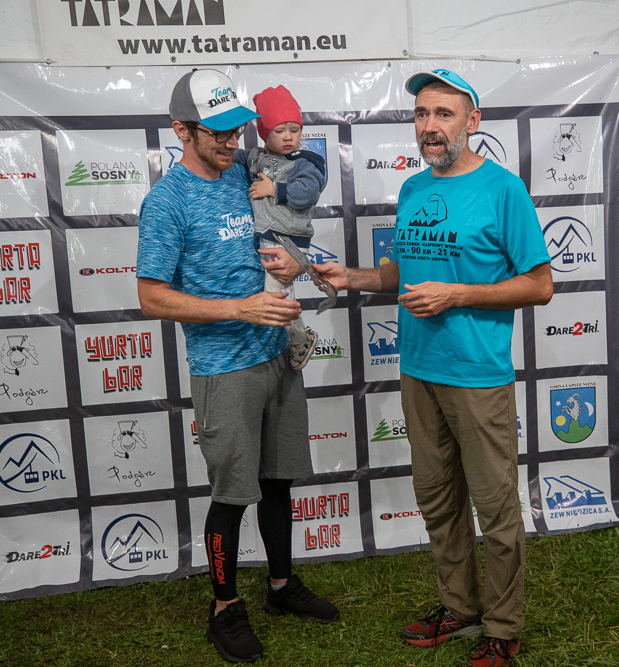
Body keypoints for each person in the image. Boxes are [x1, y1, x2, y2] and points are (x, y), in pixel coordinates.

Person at [318, 68, 552, 667]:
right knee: (438, 499)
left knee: (495, 510)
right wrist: (352, 278)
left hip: (477, 377)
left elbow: (540, 285)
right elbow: (404, 273)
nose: (429, 125)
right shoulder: (414, 190)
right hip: (419, 371)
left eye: (443, 114)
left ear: (472, 121)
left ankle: (502, 626)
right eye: (421, 113)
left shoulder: (503, 190)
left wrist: (459, 294)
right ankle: (459, 606)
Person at [136, 68, 339, 665]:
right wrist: (238, 308)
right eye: (218, 133)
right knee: (231, 495)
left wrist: (294, 265)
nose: (232, 142)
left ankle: (281, 584)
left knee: (278, 481)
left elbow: (281, 228)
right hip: (223, 367)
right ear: (182, 131)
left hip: (279, 354)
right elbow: (151, 297)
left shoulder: (244, 174)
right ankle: (224, 608)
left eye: (237, 130)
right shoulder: (166, 201)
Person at [240, 84, 326, 370]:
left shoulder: (306, 161)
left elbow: (307, 194)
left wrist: (273, 189)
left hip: (290, 238)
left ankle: (300, 340)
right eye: (279, 130)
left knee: (276, 296)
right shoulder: (256, 156)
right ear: (265, 133)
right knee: (277, 293)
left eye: (294, 129)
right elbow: (230, 159)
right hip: (267, 236)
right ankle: (291, 338)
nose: (289, 136)